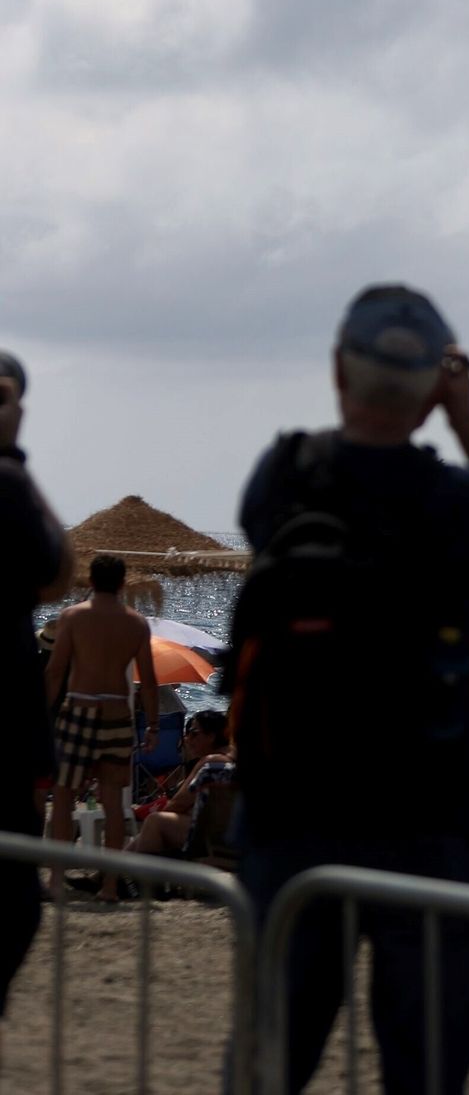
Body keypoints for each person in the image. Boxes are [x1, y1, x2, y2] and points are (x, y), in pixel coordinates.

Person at [231, 283, 469, 1095]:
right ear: (432, 394)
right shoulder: (456, 500)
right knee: (425, 1068)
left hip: (291, 811)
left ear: (337, 371)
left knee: (269, 1057)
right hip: (427, 821)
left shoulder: (284, 475)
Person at [0, 351, 71, 1058]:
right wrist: (12, 450)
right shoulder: (8, 483)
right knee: (13, 904)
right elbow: (57, 573)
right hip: (10, 731)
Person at [44, 552, 161, 896]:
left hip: (79, 708)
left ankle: (56, 879)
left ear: (91, 580)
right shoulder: (136, 623)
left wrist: (41, 714)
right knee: (112, 802)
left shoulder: (73, 616)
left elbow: (55, 671)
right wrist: (153, 725)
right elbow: (149, 682)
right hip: (116, 713)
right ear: (123, 584)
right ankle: (109, 885)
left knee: (63, 797)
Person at [129, 710, 233, 859]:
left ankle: (136, 872)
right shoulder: (240, 758)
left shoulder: (210, 763)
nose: (187, 739)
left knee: (155, 821)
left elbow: (177, 804)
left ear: (211, 736)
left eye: (193, 733)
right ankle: (116, 867)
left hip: (213, 839)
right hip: (243, 836)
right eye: (187, 733)